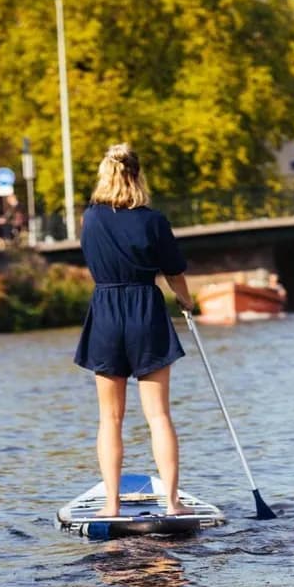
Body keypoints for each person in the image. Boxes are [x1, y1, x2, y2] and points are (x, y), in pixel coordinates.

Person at [74, 144, 195, 517]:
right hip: (146, 309)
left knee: (110, 417)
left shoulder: (91, 219)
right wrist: (185, 300)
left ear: (104, 175)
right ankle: (172, 504)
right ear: (138, 176)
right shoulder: (152, 220)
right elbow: (173, 270)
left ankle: (111, 505)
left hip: (107, 312)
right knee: (158, 415)